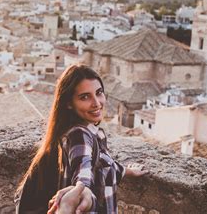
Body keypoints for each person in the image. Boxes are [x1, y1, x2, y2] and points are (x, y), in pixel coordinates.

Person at [19, 64, 147, 213]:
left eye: (99, 93)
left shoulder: (73, 132)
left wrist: (126, 171)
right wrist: (82, 187)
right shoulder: (79, 135)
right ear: (68, 103)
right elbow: (82, 167)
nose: (97, 103)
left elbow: (101, 163)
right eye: (84, 97)